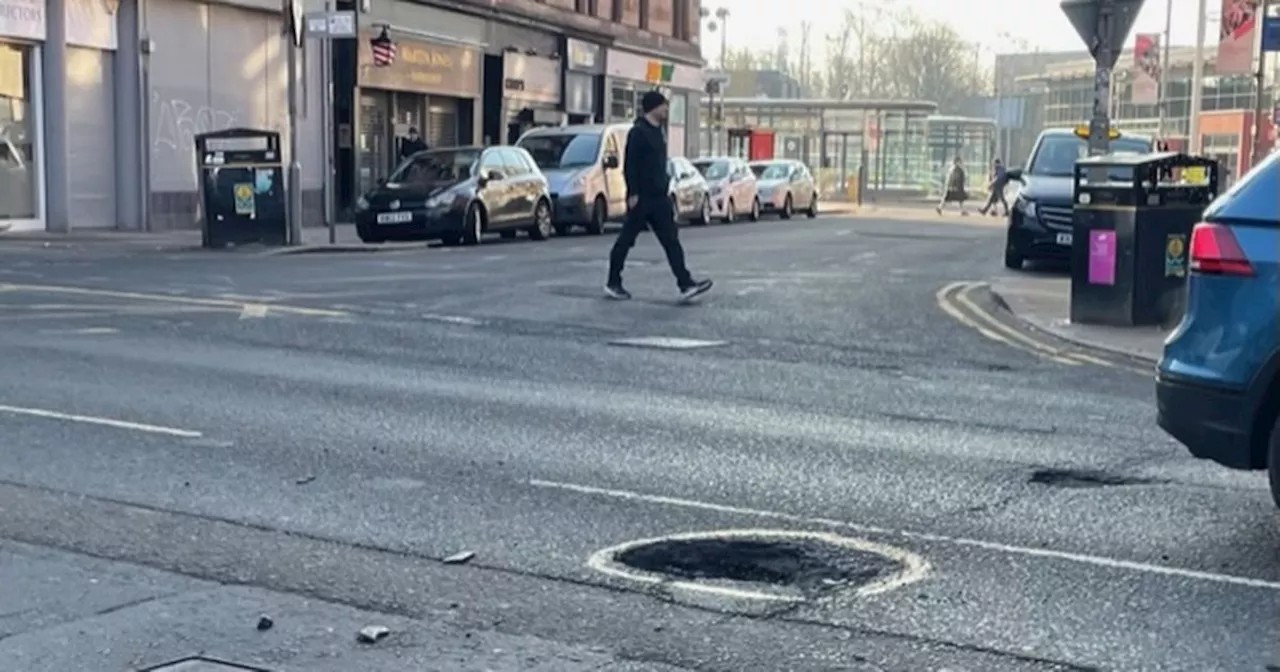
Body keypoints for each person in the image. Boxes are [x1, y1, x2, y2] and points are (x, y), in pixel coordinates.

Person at [604, 90, 713, 301]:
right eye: (663, 105)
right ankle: (613, 282)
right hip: (642, 198)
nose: (666, 109)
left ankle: (685, 283)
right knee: (626, 240)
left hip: (660, 197)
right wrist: (633, 192)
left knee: (671, 240)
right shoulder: (638, 132)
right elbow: (630, 164)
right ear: (653, 107)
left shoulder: (659, 131)